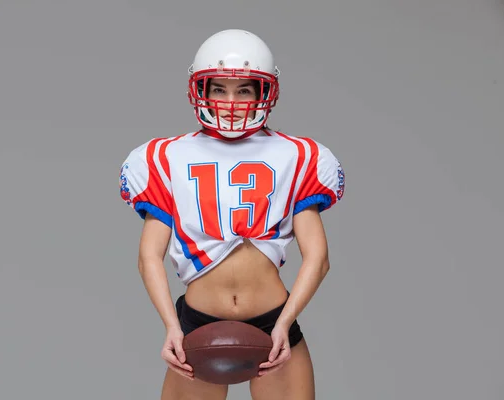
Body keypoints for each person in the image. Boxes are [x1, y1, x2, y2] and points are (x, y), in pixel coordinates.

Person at [118, 29, 345, 400]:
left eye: (243, 90)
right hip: (198, 321)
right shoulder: (163, 157)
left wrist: (284, 324)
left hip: (273, 319)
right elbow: (148, 257)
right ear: (202, 91)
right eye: (219, 89)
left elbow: (317, 258)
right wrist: (172, 328)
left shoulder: (299, 155)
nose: (231, 101)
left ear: (262, 93)